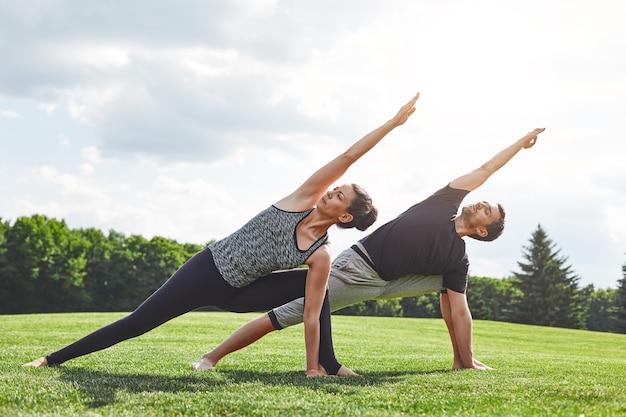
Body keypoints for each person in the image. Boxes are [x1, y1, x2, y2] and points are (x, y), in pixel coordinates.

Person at [23, 92, 422, 377]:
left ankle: (327, 366)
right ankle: (51, 360)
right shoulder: (303, 197)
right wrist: (390, 124)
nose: (333, 190)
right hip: (207, 270)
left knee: (318, 294)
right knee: (137, 322)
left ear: (346, 217)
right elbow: (348, 156)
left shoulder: (320, 254)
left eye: (340, 195)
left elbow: (313, 313)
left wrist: (310, 368)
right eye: (336, 187)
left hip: (239, 292)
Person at [193, 127, 546, 374]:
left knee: (452, 290)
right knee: (288, 313)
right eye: (484, 202)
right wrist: (519, 143)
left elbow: (459, 310)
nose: (480, 203)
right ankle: (212, 357)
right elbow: (486, 169)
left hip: (394, 281)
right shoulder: (444, 202)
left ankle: (462, 360)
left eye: (487, 211)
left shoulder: (458, 259)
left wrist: (466, 356)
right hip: (357, 270)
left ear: (482, 230)